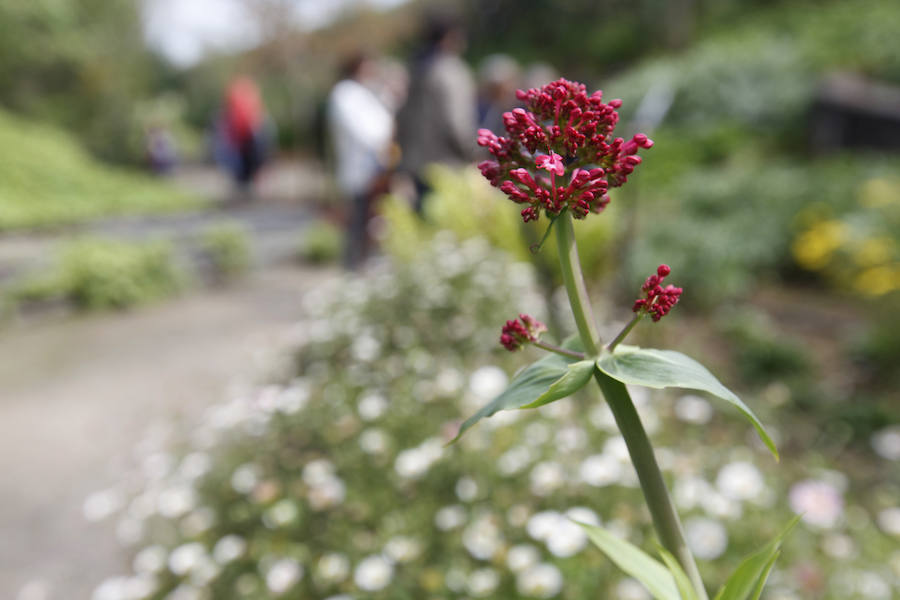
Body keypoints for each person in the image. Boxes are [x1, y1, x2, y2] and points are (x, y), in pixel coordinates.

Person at [396, 11, 476, 214]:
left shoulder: (415, 69)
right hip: (449, 168)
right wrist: (474, 154)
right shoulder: (451, 71)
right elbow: (457, 123)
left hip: (417, 167)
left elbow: (401, 118)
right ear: (451, 35)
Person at [327, 52, 395, 269]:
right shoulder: (345, 94)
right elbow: (367, 132)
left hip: (377, 170)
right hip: (361, 170)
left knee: (374, 223)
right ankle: (353, 269)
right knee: (357, 224)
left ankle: (364, 266)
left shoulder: (366, 93)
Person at [215, 77, 271, 194]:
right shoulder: (251, 105)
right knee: (248, 165)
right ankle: (246, 184)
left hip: (244, 141)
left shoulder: (241, 106)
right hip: (244, 141)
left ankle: (245, 184)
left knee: (245, 166)